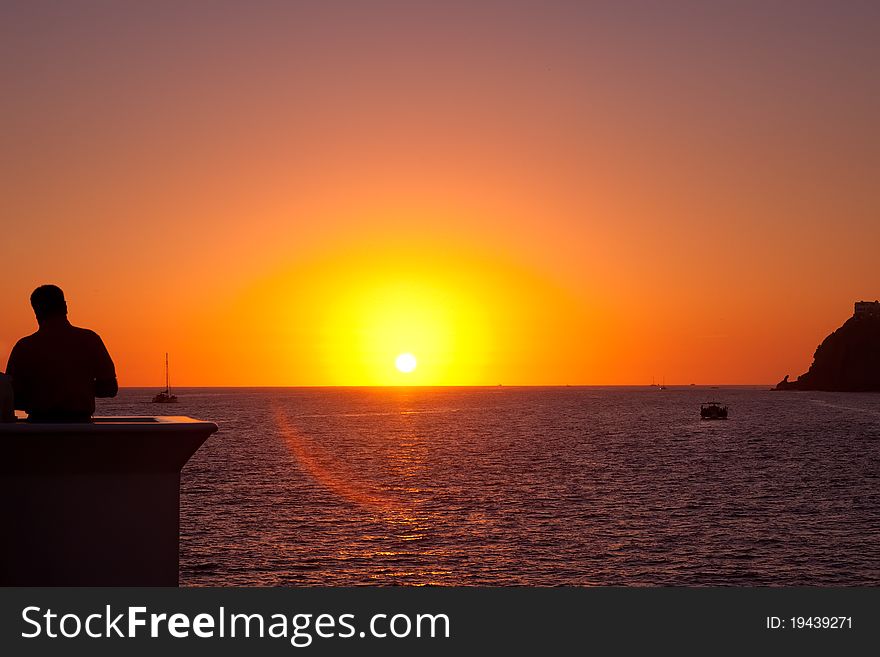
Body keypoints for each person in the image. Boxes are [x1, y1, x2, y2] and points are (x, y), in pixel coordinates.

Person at [5, 285, 118, 422]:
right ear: (65, 307)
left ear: (36, 310)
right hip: (81, 429)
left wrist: (43, 393)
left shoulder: (24, 347)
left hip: (38, 430)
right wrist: (79, 389)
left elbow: (11, 396)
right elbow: (110, 388)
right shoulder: (90, 340)